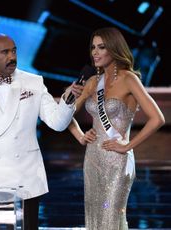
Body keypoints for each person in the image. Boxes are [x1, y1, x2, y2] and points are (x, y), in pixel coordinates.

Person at [0, 34, 83, 230]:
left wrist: (68, 100)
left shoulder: (34, 82)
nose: (12, 56)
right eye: (5, 52)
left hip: (24, 177)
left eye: (14, 51)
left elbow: (57, 123)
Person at [68, 27, 165, 230]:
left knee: (110, 217)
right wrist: (79, 134)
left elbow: (157, 118)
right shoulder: (93, 82)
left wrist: (127, 146)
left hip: (118, 160)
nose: (95, 52)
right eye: (93, 47)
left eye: (101, 47)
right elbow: (64, 116)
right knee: (95, 217)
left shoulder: (129, 79)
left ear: (114, 49)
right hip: (92, 158)